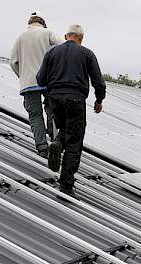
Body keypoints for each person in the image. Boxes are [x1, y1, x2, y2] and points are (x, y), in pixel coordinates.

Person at [36, 24, 106, 196]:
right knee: (75, 139)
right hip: (75, 99)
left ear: (66, 36)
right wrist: (99, 100)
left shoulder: (52, 53)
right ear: (80, 38)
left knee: (65, 129)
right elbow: (98, 81)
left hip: (55, 99)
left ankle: (57, 144)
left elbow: (40, 79)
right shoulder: (87, 53)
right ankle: (66, 183)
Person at [10, 11, 63, 158]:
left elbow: (13, 62)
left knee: (35, 115)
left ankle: (42, 147)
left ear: (30, 22)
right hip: (48, 80)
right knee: (52, 109)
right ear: (42, 22)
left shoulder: (20, 38)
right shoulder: (47, 33)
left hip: (28, 83)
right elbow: (63, 46)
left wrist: (23, 76)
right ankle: (54, 139)